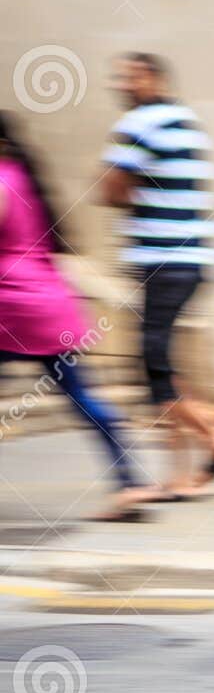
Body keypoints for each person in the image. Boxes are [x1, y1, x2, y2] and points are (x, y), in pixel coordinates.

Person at [0, 111, 159, 521]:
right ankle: (132, 483)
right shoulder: (27, 179)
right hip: (51, 306)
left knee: (81, 397)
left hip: (14, 310)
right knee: (84, 398)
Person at [100, 52, 214, 498]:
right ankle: (179, 472)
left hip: (164, 262)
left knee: (154, 365)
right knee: (161, 367)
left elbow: (109, 189)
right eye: (122, 78)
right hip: (192, 260)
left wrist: (129, 191)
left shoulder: (142, 122)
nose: (124, 85)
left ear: (155, 79)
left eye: (132, 77)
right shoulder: (186, 119)